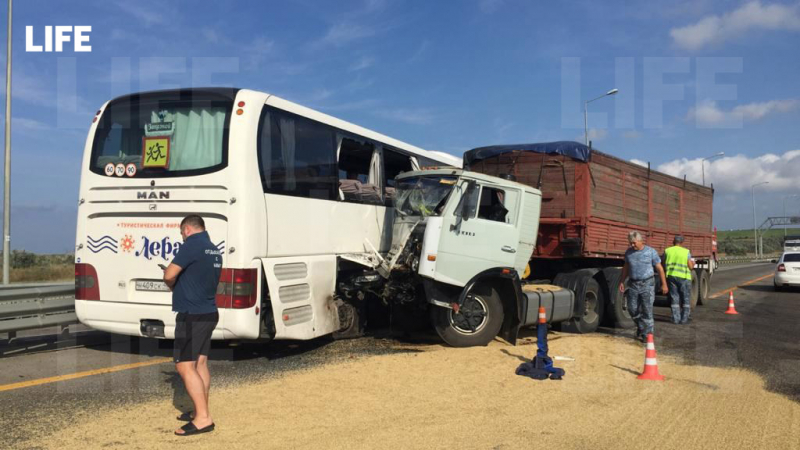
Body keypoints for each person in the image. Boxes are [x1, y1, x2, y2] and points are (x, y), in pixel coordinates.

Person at [163, 215, 222, 436]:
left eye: (181, 233)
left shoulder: (192, 245)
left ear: (187, 229)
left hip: (191, 314)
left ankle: (203, 419)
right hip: (208, 311)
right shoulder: (213, 248)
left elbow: (169, 274)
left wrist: (172, 284)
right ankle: (201, 410)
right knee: (200, 364)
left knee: (184, 365)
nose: (182, 236)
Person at [618, 231, 668, 342]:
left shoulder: (651, 252)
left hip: (647, 284)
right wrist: (622, 281)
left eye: (634, 243)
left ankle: (648, 335)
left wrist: (664, 284)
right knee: (632, 309)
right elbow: (626, 267)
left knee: (647, 310)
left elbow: (659, 268)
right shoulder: (628, 253)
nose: (632, 245)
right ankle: (641, 327)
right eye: (630, 243)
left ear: (641, 241)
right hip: (633, 284)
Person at [663, 235, 695, 324]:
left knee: (674, 298)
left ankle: (675, 319)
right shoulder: (686, 252)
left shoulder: (667, 251)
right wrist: (693, 263)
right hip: (684, 277)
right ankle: (684, 319)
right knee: (685, 298)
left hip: (671, 276)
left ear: (674, 241)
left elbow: (663, 263)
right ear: (682, 242)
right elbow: (690, 267)